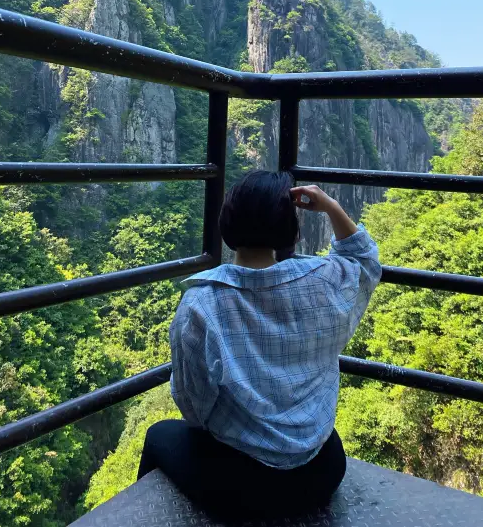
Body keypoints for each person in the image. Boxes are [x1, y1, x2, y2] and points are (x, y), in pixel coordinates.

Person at [137, 170, 381, 520]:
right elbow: (365, 261)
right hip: (323, 470)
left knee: (159, 435)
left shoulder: (202, 306)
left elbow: (194, 409)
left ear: (227, 223)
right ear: (289, 231)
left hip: (245, 488)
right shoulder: (325, 282)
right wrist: (330, 207)